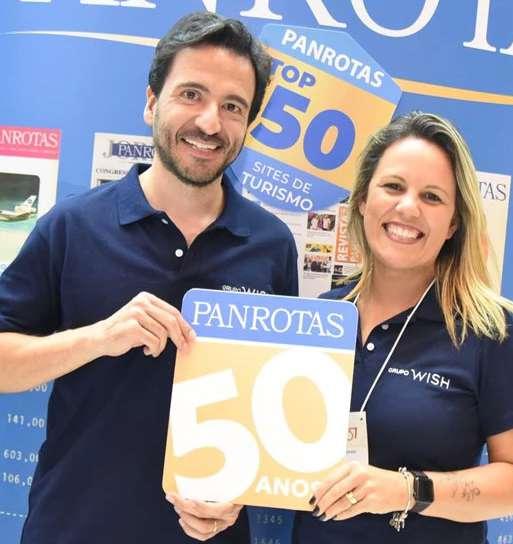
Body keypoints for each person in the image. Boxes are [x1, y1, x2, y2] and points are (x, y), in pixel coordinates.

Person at [0, 12, 298, 544]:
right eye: (191, 94)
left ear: (249, 124)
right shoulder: (72, 226)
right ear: (151, 102)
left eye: (233, 106)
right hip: (73, 529)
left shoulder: (272, 245)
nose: (210, 122)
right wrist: (97, 339)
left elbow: (273, 413)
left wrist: (237, 497)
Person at [293, 112, 513, 543]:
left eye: (432, 196)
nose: (408, 207)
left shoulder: (491, 330)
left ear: (453, 224)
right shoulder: (321, 318)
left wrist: (408, 490)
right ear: (362, 199)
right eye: (393, 187)